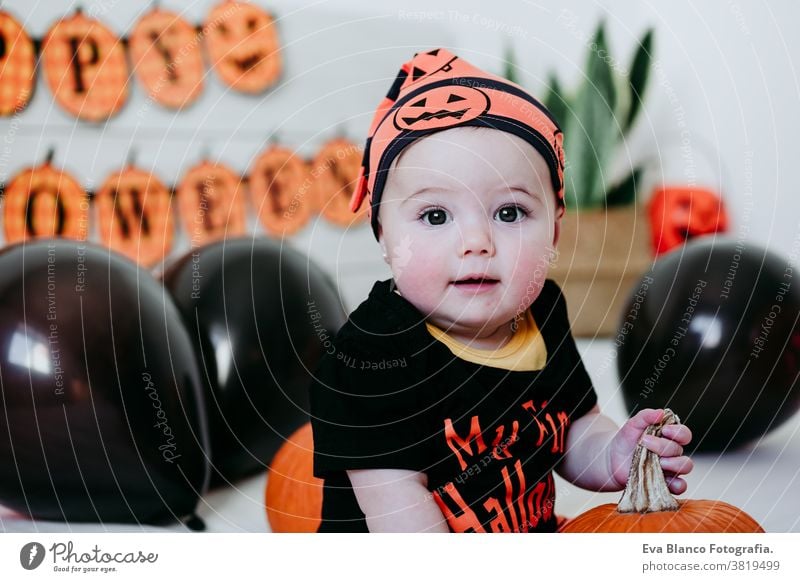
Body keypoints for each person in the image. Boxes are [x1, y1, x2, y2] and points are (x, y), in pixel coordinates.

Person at [309, 48, 693, 533]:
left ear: (554, 230)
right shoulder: (372, 356)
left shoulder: (544, 312)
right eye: (435, 216)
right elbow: (399, 513)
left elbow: (573, 430)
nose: (476, 243)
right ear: (382, 234)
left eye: (509, 213)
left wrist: (614, 457)